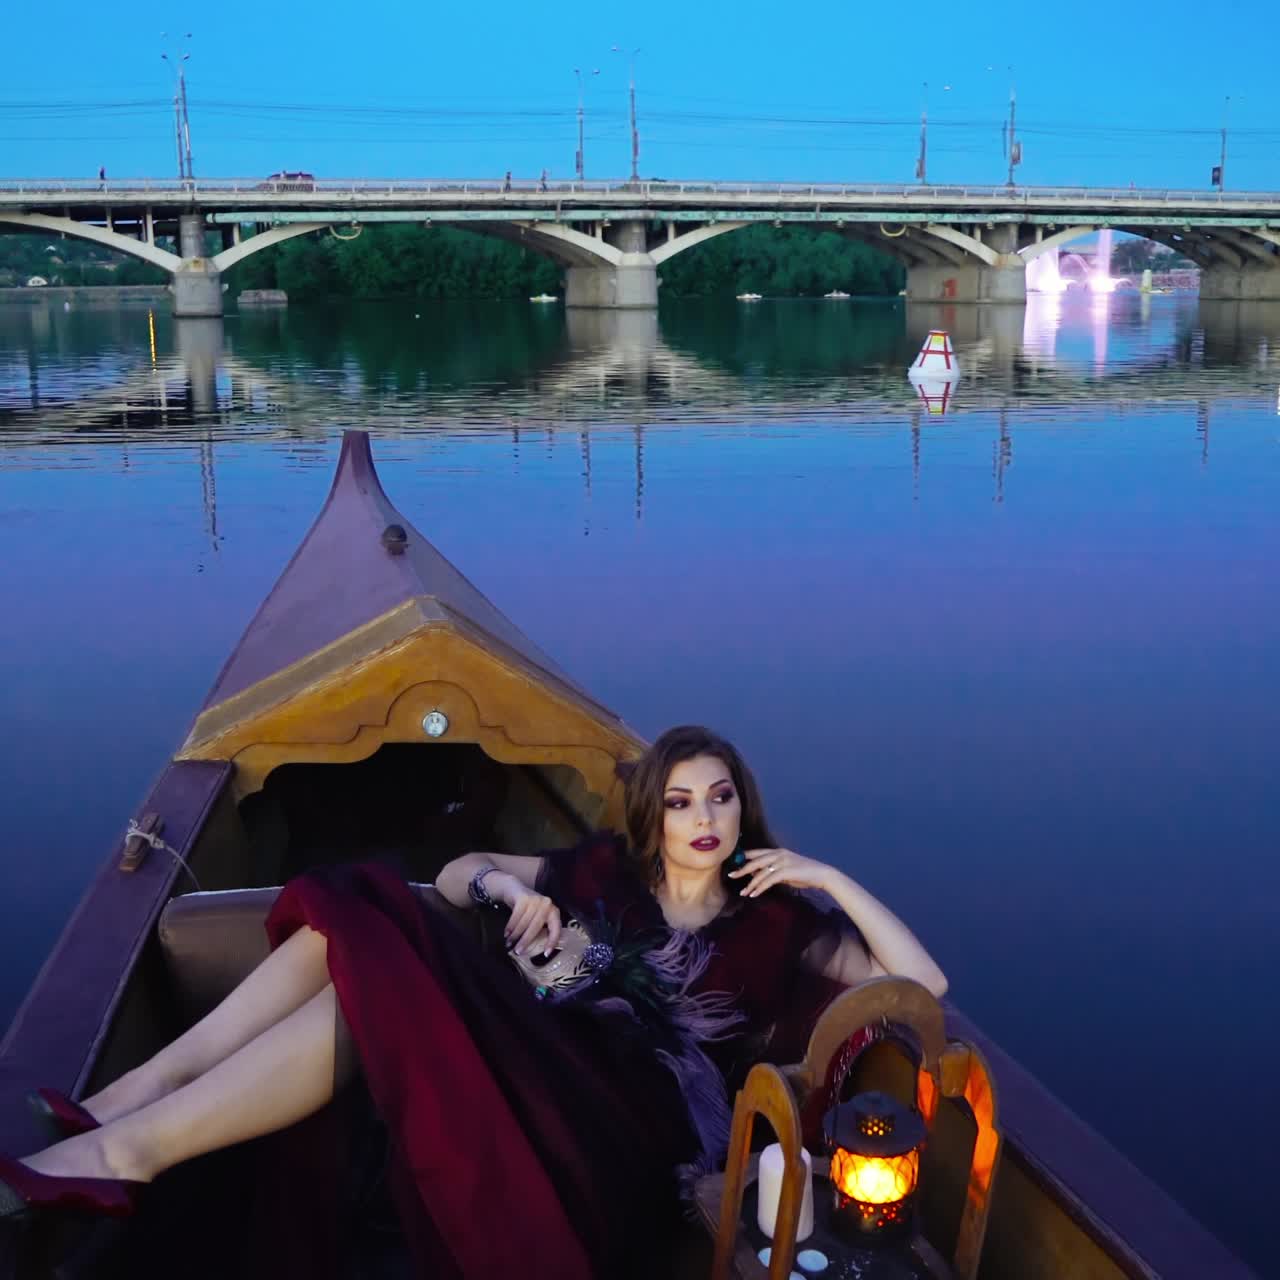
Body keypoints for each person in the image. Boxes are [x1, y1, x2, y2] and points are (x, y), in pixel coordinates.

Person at [0, 725, 945, 1277]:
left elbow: (924, 987)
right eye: (683, 801)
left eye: (722, 799)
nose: (705, 820)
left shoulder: (779, 927)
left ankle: (126, 1134)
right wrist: (514, 892)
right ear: (653, 815)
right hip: (538, 1052)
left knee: (365, 964)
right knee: (359, 911)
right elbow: (459, 872)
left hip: (626, 1128)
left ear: (744, 811)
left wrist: (829, 875)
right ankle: (129, 1113)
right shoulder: (605, 873)